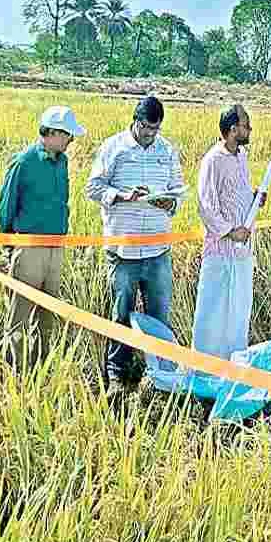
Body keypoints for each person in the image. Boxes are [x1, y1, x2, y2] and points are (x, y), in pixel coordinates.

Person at [84, 96, 185, 397]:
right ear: (136, 121)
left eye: (156, 129)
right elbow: (93, 187)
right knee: (121, 313)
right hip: (123, 249)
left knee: (158, 316)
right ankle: (117, 374)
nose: (150, 134)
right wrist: (121, 196)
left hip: (158, 250)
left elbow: (178, 191)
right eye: (146, 128)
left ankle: (159, 377)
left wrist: (170, 202)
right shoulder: (113, 147)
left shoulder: (167, 151)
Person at [0, 105, 86, 366]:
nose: (71, 141)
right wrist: (8, 246)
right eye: (69, 135)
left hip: (55, 248)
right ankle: (16, 372)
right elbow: (6, 206)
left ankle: (41, 369)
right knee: (20, 315)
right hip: (29, 248)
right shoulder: (24, 162)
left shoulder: (62, 162)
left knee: (48, 315)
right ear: (55, 132)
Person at [192, 104, 267, 370]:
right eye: (246, 124)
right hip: (220, 252)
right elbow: (206, 205)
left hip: (242, 252)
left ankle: (233, 368)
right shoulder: (213, 160)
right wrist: (229, 231)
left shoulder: (241, 156)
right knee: (213, 312)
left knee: (237, 313)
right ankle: (204, 369)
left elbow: (238, 192)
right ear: (233, 129)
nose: (250, 129)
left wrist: (255, 197)